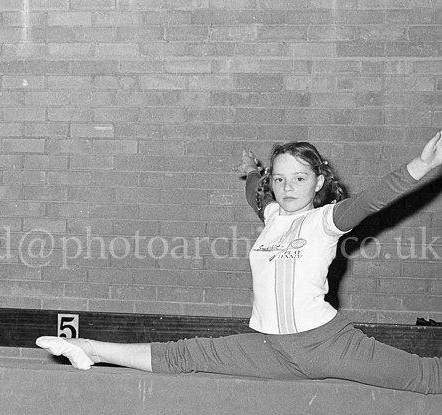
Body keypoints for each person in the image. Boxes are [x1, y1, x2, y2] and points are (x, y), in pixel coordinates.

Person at [37, 135, 442, 394]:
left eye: (300, 179)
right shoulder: (271, 217)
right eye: (280, 179)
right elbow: (257, 194)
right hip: (267, 347)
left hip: (326, 344)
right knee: (186, 356)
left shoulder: (326, 220)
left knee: (423, 378)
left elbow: (371, 200)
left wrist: (419, 168)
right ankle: (87, 348)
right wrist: (252, 172)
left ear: (319, 182)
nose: (288, 188)